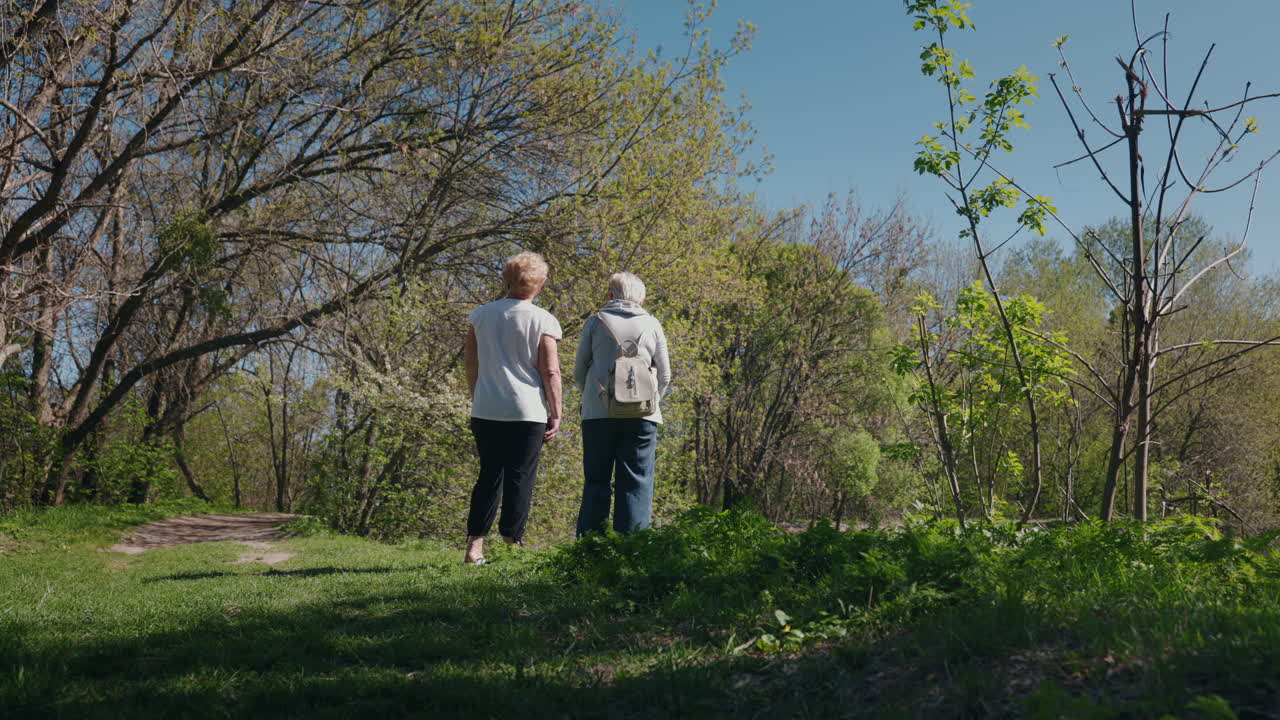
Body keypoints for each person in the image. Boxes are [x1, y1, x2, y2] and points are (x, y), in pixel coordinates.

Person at [462, 252, 562, 564]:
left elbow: (471, 363)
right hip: (527, 411)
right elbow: (550, 371)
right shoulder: (543, 320)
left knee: (489, 475)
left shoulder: (480, 316)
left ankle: (474, 547)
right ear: (539, 285)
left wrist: (477, 394)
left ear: (505, 281)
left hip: (487, 408)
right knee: (520, 477)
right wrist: (556, 412)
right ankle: (511, 545)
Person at [573, 272, 671, 536]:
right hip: (642, 417)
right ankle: (631, 548)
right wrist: (650, 403)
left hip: (598, 414)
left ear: (610, 294)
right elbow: (665, 376)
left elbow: (579, 371)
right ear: (641, 298)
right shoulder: (652, 324)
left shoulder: (595, 321)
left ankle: (591, 546)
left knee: (596, 481)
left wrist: (593, 397)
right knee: (637, 483)